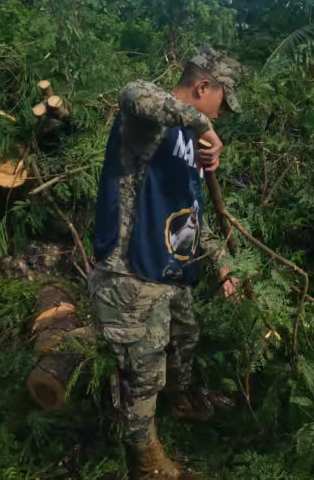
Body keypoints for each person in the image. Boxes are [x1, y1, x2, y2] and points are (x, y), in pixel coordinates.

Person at [89, 44, 245, 479]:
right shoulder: (151, 121)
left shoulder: (188, 142)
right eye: (222, 103)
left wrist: (221, 261)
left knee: (184, 344)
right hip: (132, 273)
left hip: (172, 272)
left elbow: (191, 211)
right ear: (203, 87)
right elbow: (133, 92)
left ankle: (183, 405)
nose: (222, 115)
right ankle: (148, 464)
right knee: (142, 375)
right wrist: (203, 125)